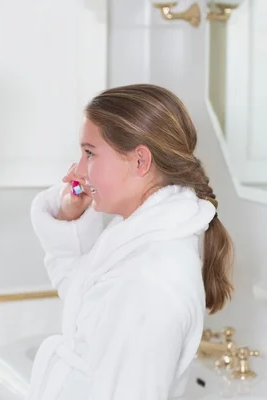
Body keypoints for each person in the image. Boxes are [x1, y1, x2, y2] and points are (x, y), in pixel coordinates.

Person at [28, 83, 234, 400]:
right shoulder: (140, 241)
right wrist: (70, 218)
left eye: (89, 153)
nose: (77, 171)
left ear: (140, 161)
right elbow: (85, 301)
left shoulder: (150, 283)